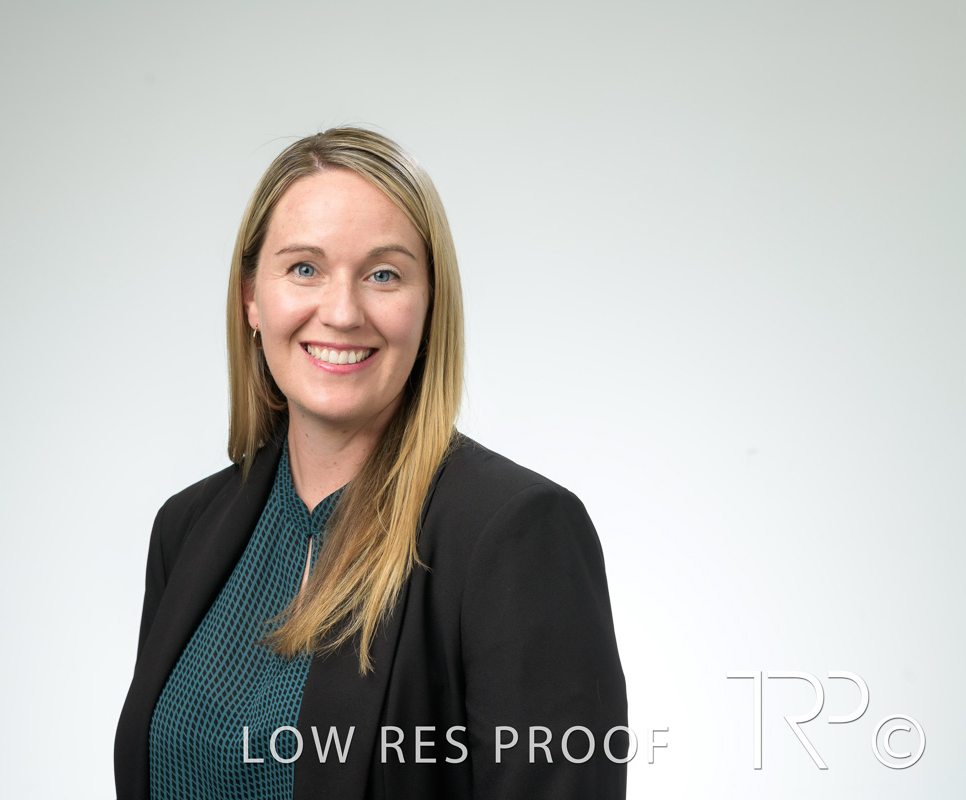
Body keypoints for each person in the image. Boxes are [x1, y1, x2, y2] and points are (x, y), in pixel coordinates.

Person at [114, 127, 627, 799]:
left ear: (430, 305)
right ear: (252, 299)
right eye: (305, 268)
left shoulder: (517, 536)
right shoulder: (185, 529)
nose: (342, 312)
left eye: (383, 274)